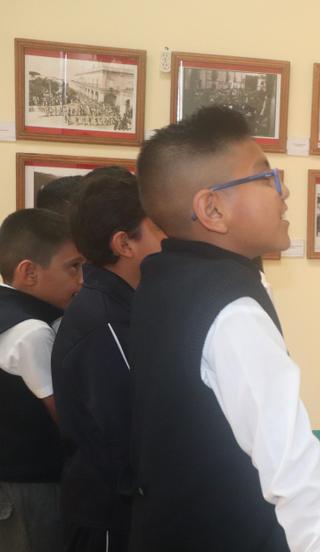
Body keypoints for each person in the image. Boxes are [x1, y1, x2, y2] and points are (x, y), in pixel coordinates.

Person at [128, 106, 320, 551]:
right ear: (212, 208)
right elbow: (294, 471)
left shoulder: (164, 276)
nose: (283, 190)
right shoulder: (232, 312)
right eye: (266, 177)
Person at [51, 167, 166, 552]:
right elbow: (127, 440)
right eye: (159, 228)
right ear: (124, 244)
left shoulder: (125, 303)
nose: (170, 238)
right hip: (111, 517)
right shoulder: (105, 322)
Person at [0, 208, 84, 552]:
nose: (81, 280)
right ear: (29, 272)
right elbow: (65, 418)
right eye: (73, 267)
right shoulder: (31, 331)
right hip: (29, 489)